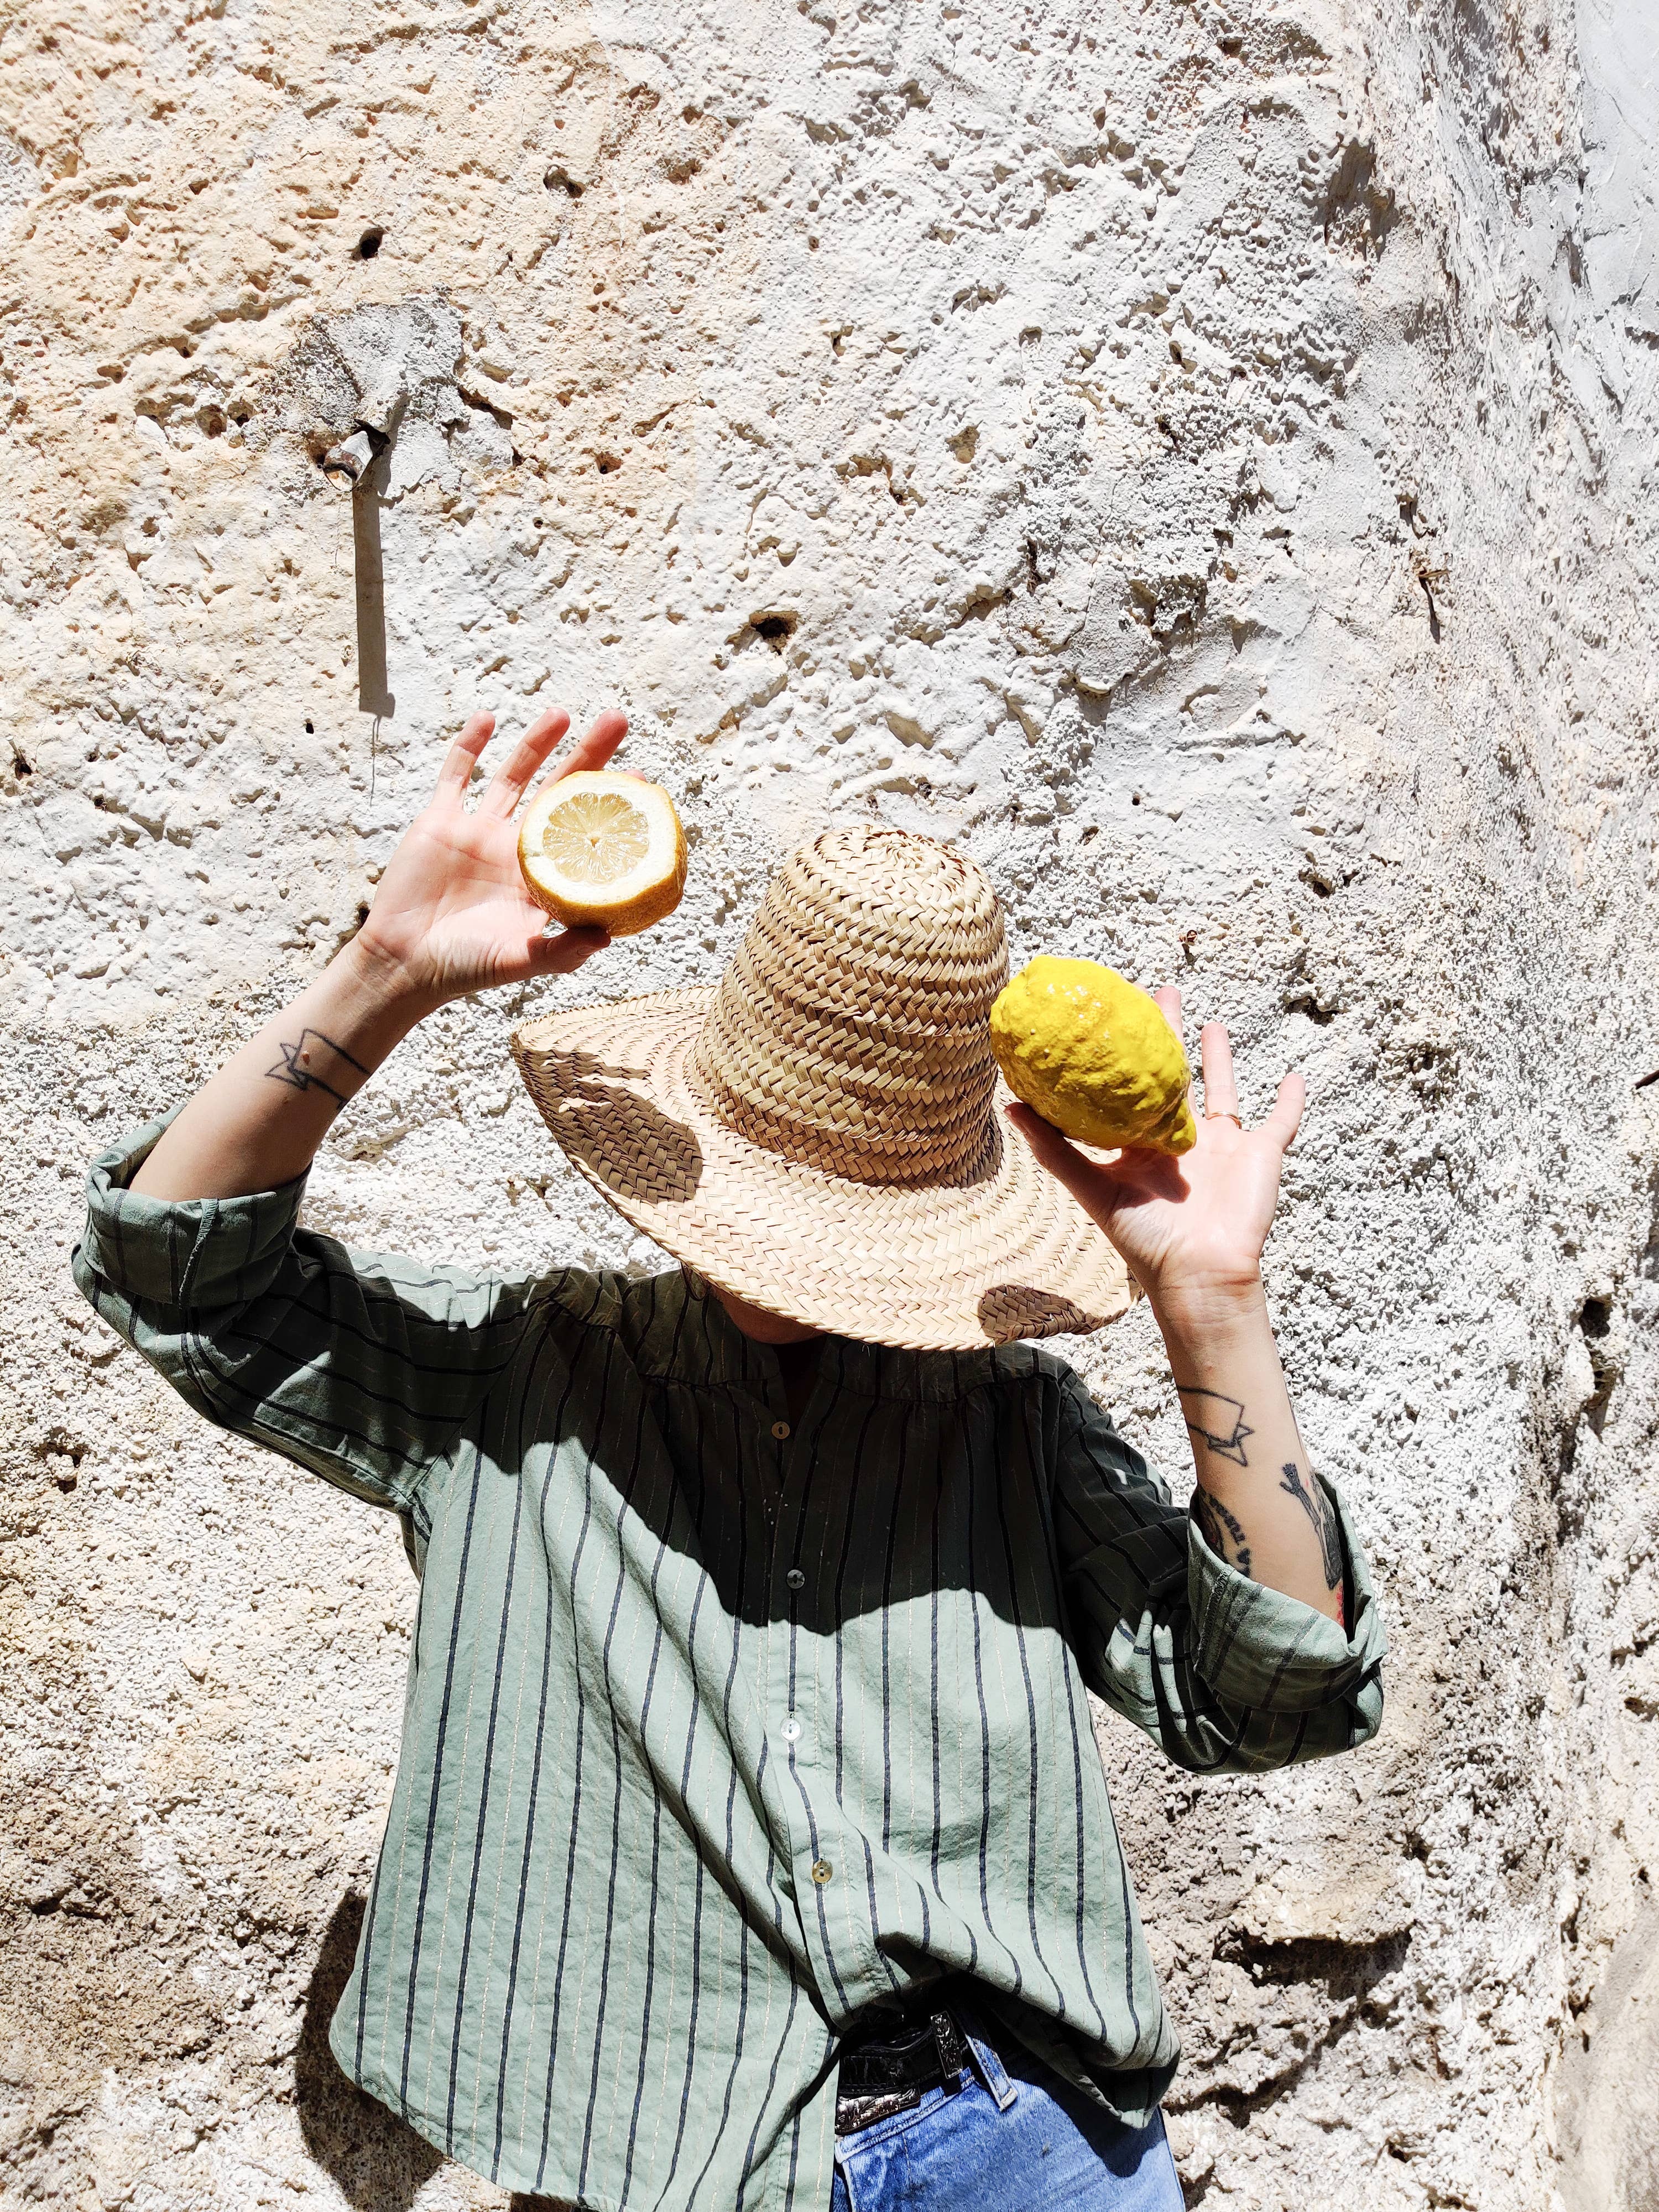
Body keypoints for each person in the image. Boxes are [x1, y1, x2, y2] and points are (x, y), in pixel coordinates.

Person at [74, 706, 1385, 2212]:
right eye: (784, 1187)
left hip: (1025, 2146)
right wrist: (385, 969)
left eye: (849, 1203)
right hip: (657, 2153)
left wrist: (1213, 1310)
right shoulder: (512, 1377)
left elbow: (1276, 1695)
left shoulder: (1009, 1426)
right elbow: (178, 1278)